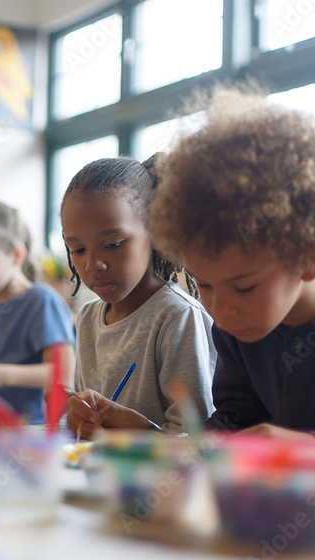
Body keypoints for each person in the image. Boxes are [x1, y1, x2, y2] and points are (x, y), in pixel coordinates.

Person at [74, 88, 315, 444]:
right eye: (204, 284)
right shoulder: (240, 329)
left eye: (244, 287)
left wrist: (308, 447)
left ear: (311, 256)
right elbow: (230, 428)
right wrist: (149, 437)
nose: (221, 312)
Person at [61, 155, 216, 435]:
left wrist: (137, 432)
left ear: (157, 232)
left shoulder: (177, 317)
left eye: (113, 244)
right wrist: (78, 419)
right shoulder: (87, 318)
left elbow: (196, 438)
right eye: (78, 249)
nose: (93, 264)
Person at [0, 201, 76, 423]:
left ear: (17, 254)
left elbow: (64, 374)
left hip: (31, 429)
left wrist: (3, 375)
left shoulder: (42, 302)